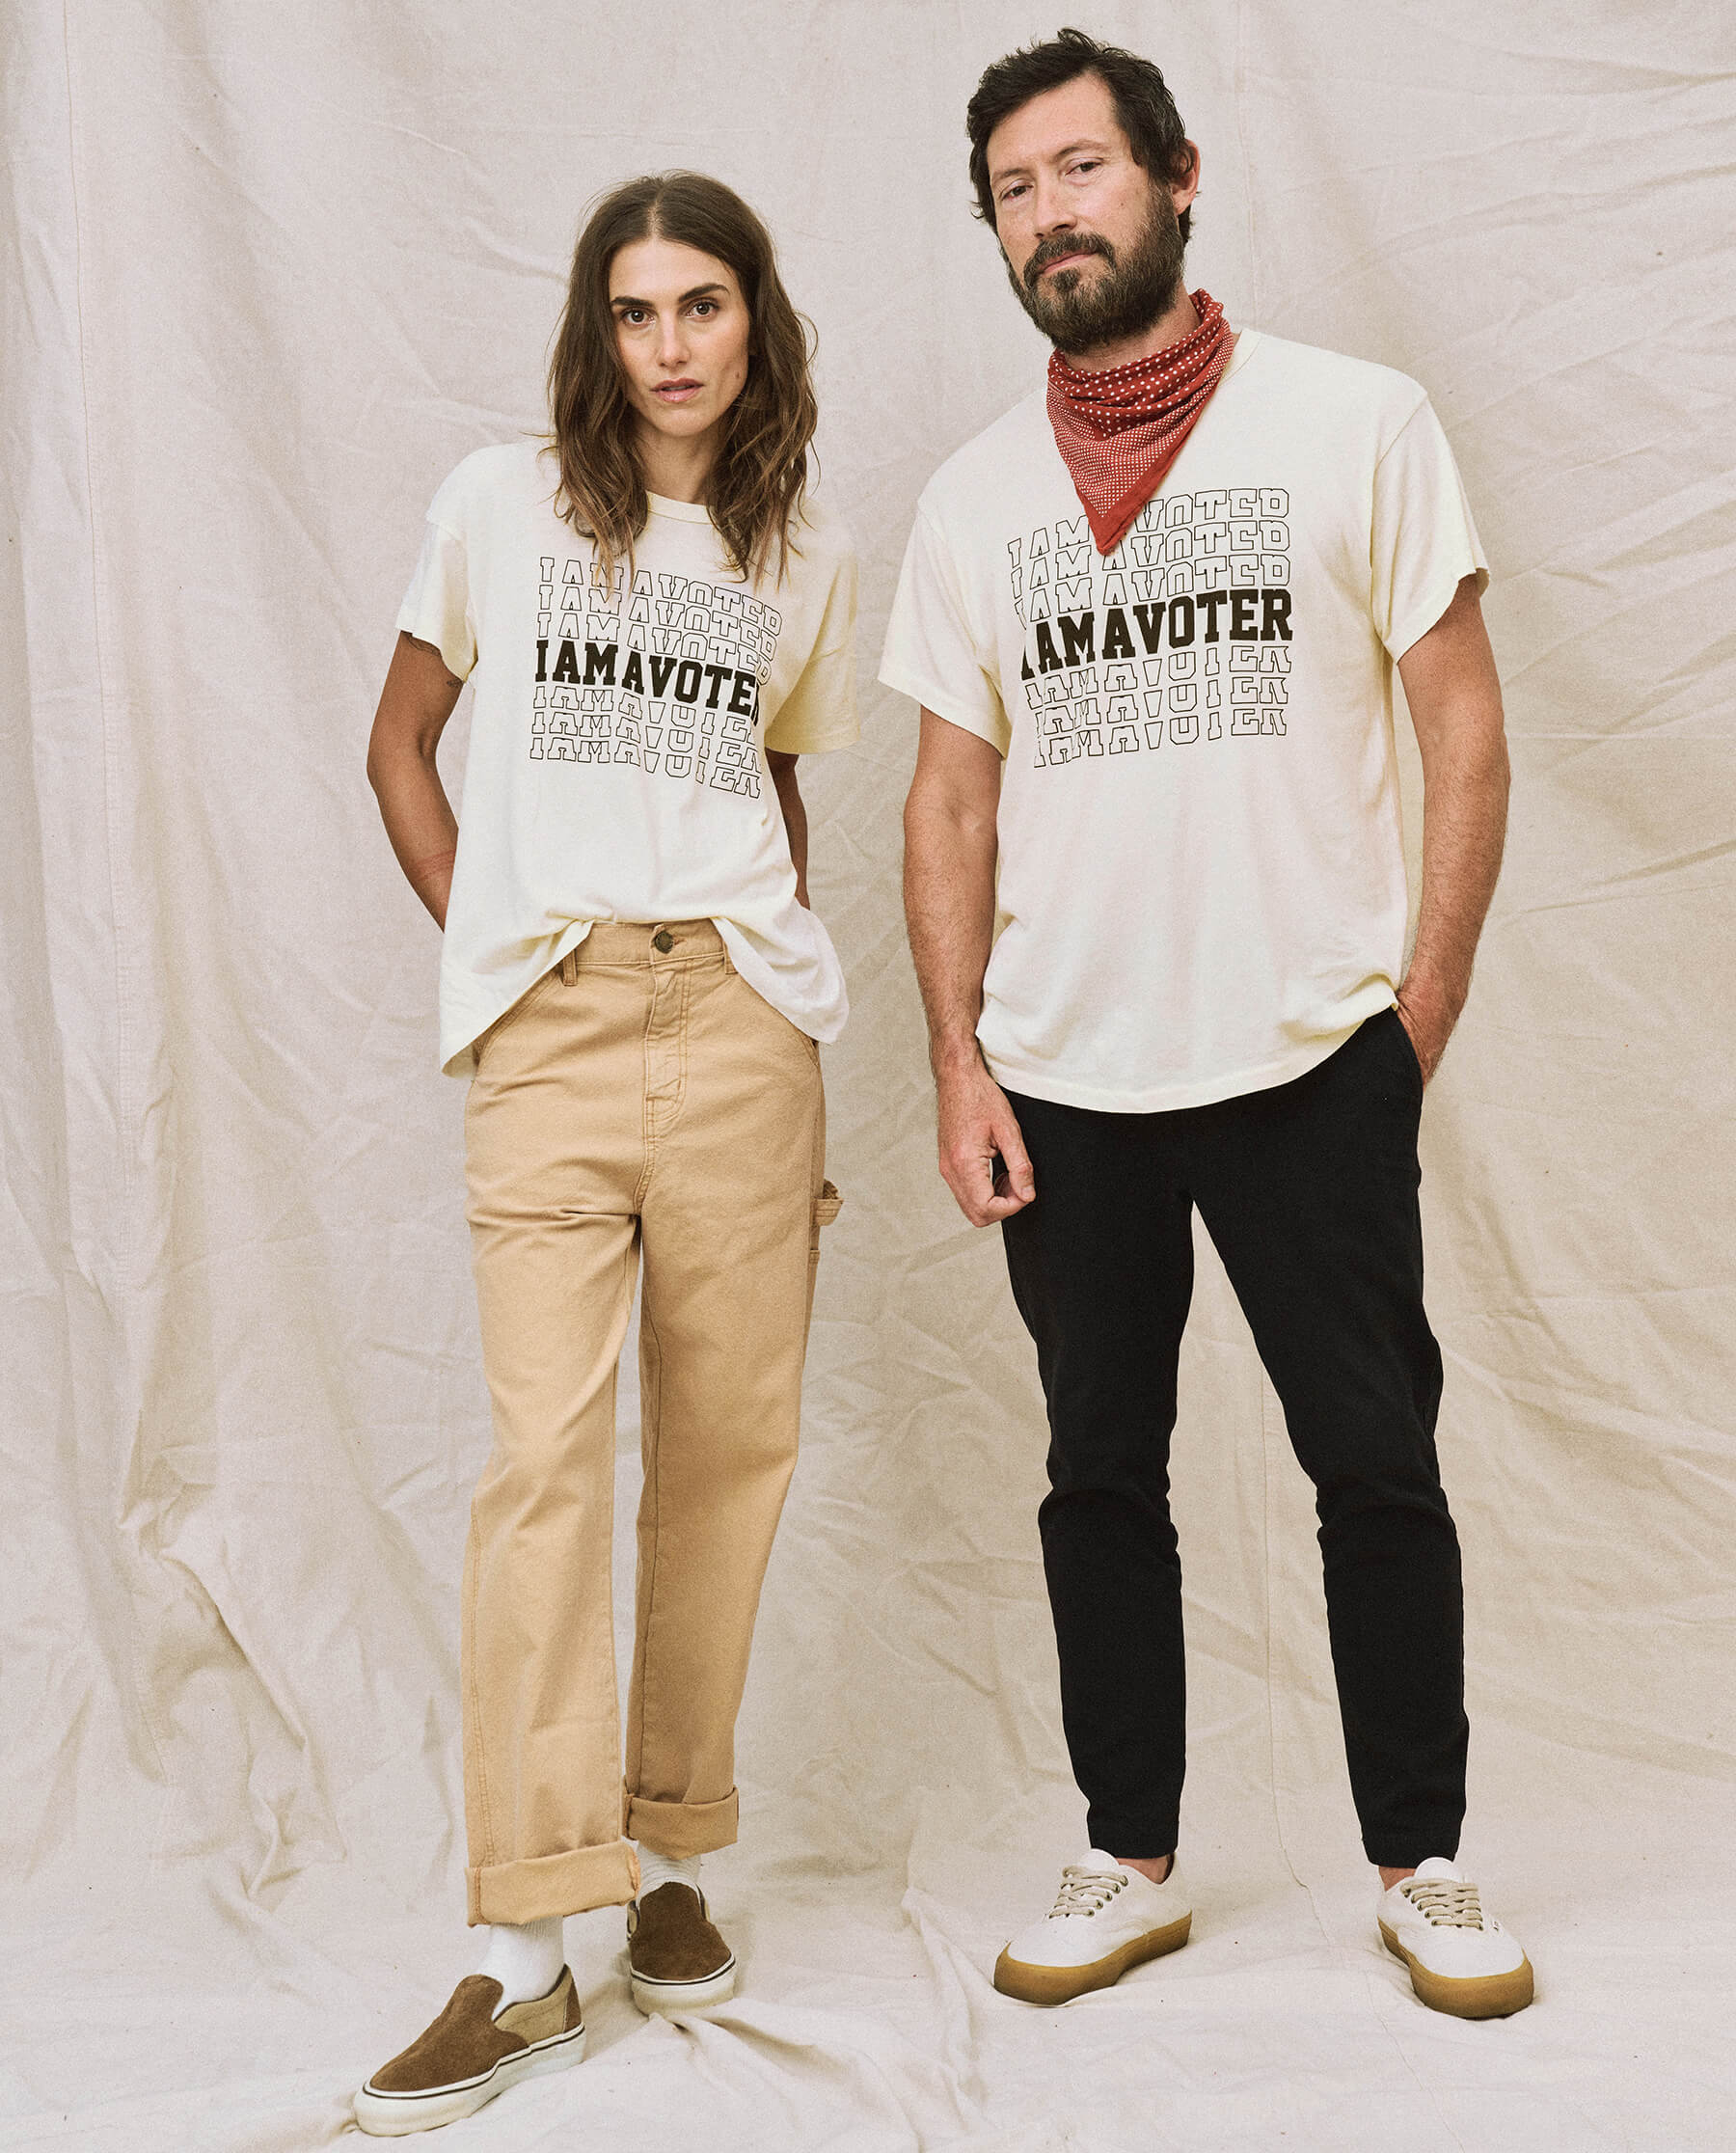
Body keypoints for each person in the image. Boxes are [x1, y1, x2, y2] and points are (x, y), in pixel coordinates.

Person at [883, 28, 1533, 2021]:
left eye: (1081, 170)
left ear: (1172, 178)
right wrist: (957, 1057)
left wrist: (1409, 1016)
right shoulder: (977, 496)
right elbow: (949, 799)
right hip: (1066, 1077)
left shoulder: (1356, 423)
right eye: (1014, 188)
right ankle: (1129, 1855)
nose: (1051, 213)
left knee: (1376, 1463)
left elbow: (1464, 728)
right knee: (1099, 1474)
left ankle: (1425, 1862)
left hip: (1308, 1051)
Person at [355, 172, 854, 2135]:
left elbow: (776, 788)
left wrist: (781, 990)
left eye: (704, 304)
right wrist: (505, 946)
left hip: (741, 1023)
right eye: (637, 308)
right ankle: (521, 1947)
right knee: (545, 1464)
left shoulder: (797, 545)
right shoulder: (500, 509)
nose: (669, 343)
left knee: (730, 1450)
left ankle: (663, 1861)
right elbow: (399, 740)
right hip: (553, 1028)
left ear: (753, 324)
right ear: (595, 329)